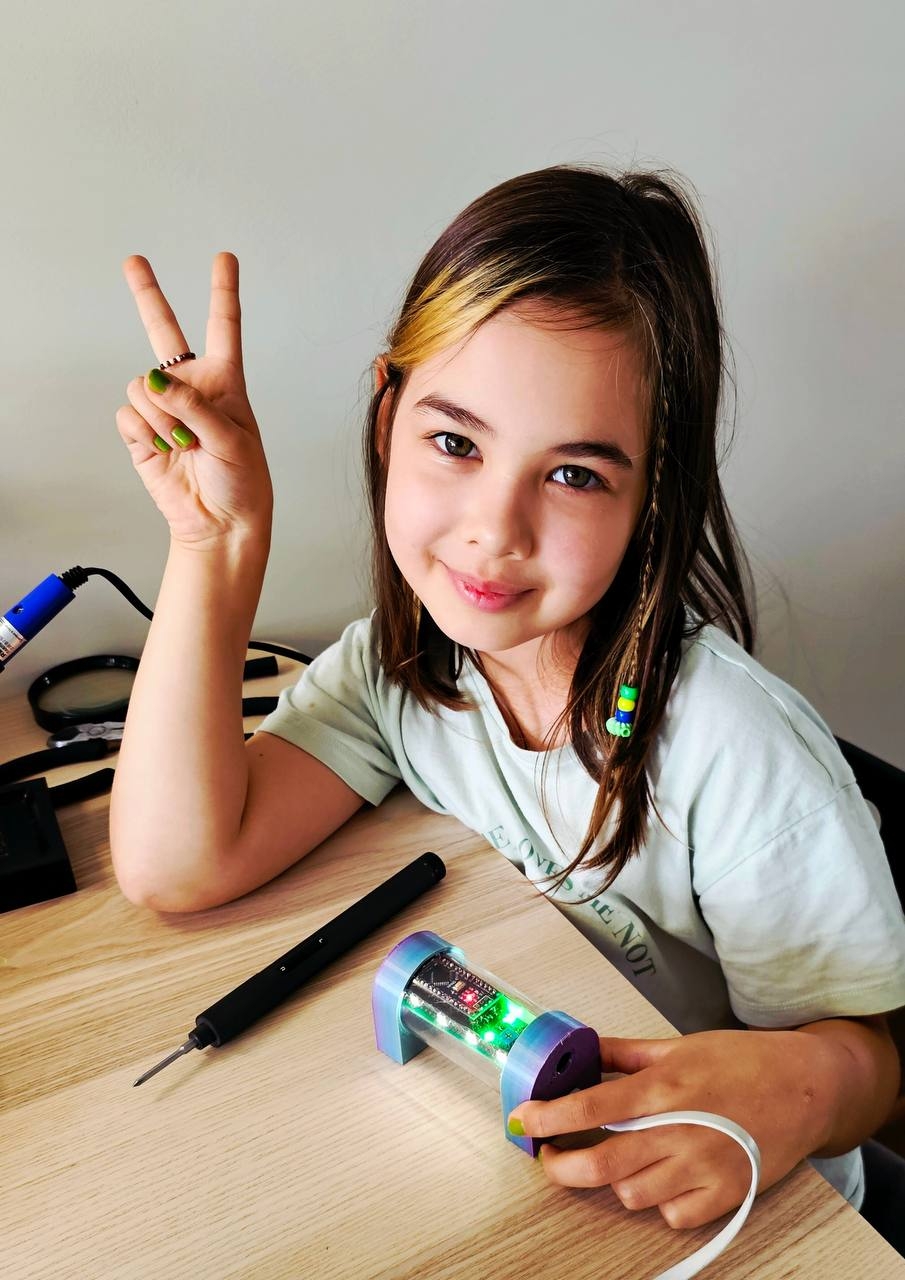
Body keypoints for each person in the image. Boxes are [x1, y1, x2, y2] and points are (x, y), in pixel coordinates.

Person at [111, 163, 905, 1234]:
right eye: (455, 442)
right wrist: (217, 541)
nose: (495, 529)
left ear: (651, 492)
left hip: (767, 1216)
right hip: (551, 1172)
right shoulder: (406, 670)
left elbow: (869, 1064)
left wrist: (803, 1088)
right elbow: (178, 864)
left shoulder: (734, 752)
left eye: (574, 474)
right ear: (387, 416)